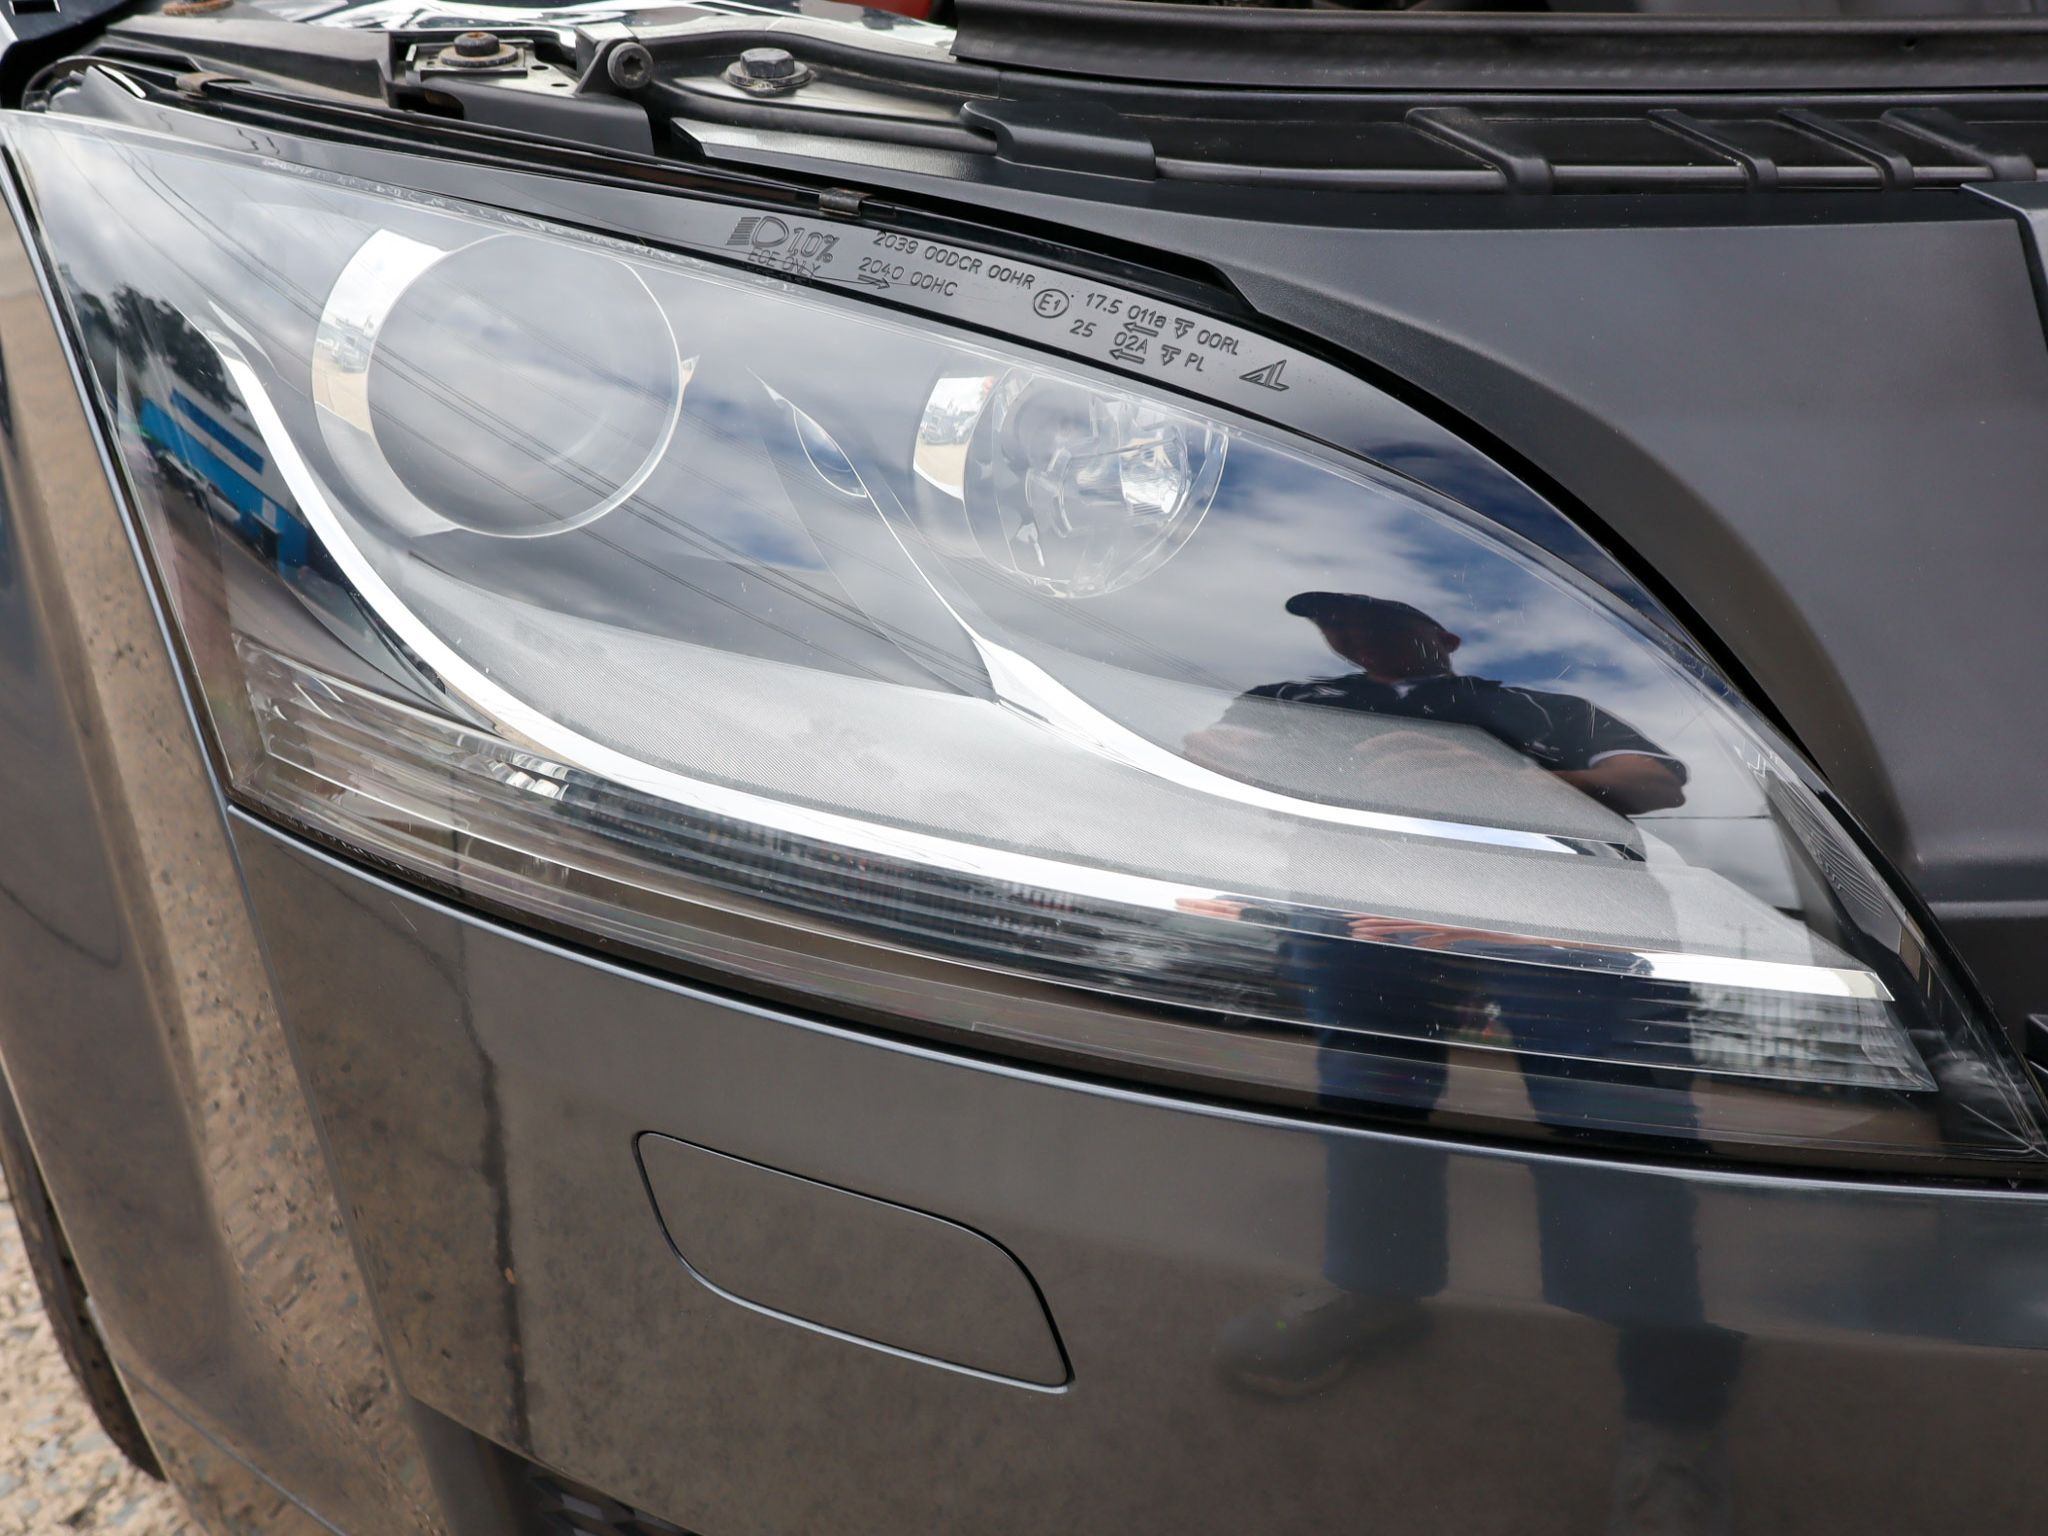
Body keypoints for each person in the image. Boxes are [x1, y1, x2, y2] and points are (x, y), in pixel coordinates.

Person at [1205, 592, 1740, 1536]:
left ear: (1443, 635)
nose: (1352, 632)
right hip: (1351, 906)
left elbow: (1657, 780)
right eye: (1335, 620)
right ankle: (1377, 1286)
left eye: (1375, 617)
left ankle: (1672, 1407)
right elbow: (1209, 750)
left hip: (1559, 915)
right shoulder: (1295, 696)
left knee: (1616, 1130)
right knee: (1366, 1103)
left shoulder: (1526, 702)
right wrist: (1241, 760)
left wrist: (1520, 783)